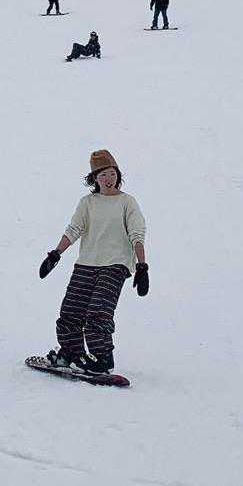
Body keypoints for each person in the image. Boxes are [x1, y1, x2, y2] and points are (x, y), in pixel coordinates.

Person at [36, 150, 148, 374]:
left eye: (112, 173)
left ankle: (102, 358)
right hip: (87, 264)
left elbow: (137, 234)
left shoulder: (127, 202)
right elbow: (74, 230)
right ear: (94, 178)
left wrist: (142, 266)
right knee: (70, 310)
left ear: (117, 174)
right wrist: (55, 254)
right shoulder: (88, 203)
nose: (108, 179)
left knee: (98, 311)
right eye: (102, 175)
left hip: (115, 266)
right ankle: (71, 353)